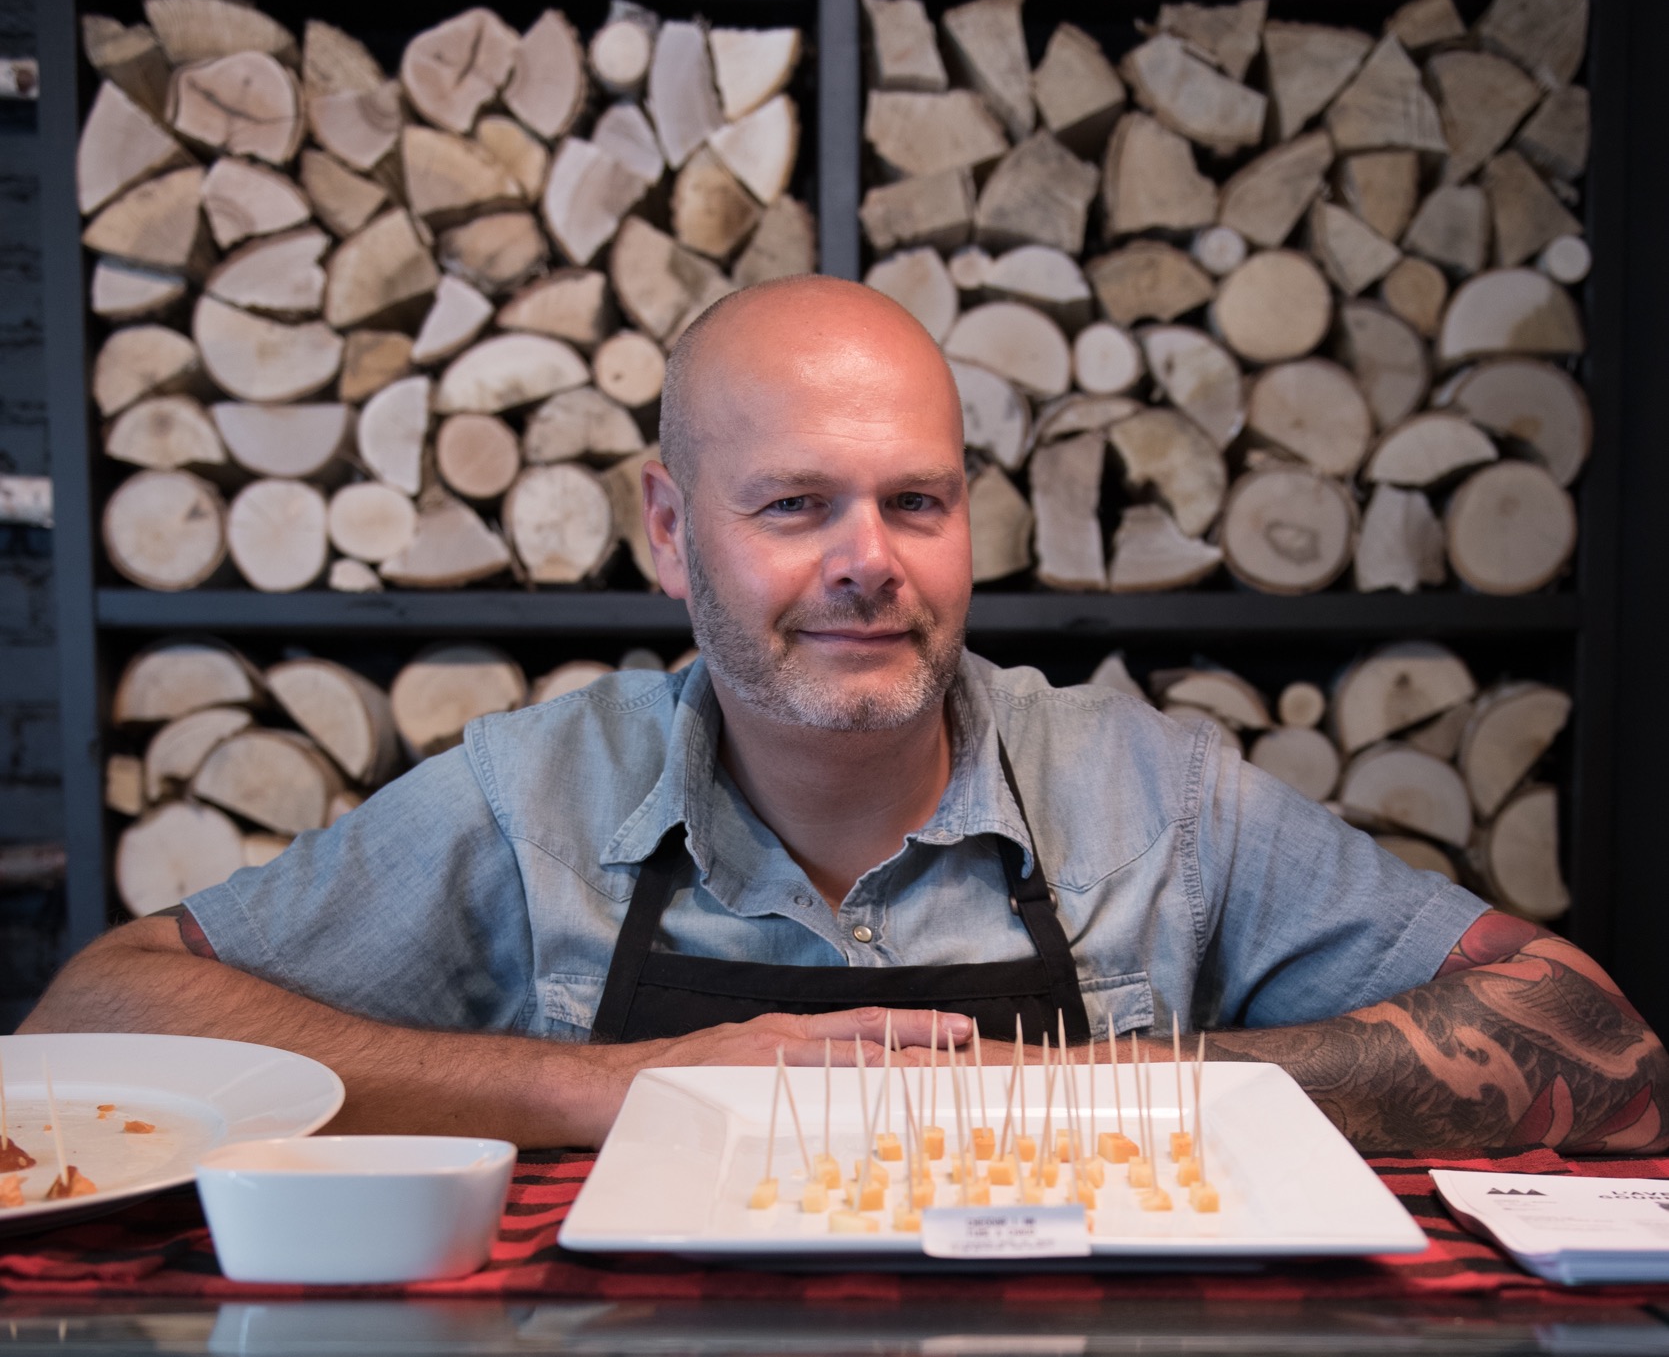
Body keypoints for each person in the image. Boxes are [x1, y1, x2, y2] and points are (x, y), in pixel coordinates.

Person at [28, 278, 1666, 1155]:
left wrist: (1114, 1094)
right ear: (669, 527)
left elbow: (1601, 1049)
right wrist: (599, 1090)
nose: (868, 565)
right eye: (796, 505)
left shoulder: (1147, 793)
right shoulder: (534, 794)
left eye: (916, 502)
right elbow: (90, 1017)